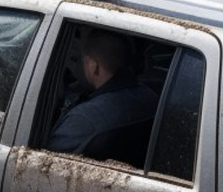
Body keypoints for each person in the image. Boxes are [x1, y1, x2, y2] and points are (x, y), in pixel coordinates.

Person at [46, 29, 159, 163]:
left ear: (93, 66)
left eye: (82, 60)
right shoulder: (151, 97)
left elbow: (44, 164)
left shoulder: (83, 121)